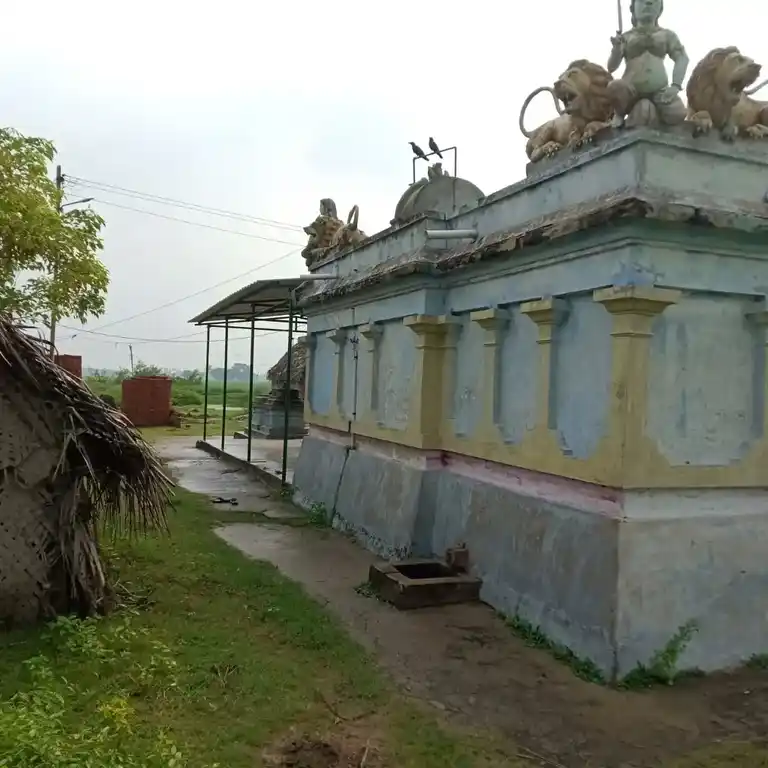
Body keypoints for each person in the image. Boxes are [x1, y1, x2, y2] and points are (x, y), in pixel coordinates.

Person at [606, 0, 689, 127]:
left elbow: (682, 58)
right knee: (614, 87)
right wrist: (616, 49)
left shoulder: (667, 35)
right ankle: (620, 113)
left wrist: (675, 86)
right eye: (642, 1)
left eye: (654, 1)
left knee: (678, 112)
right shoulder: (626, 37)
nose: (648, 3)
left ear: (660, 9)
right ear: (633, 8)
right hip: (631, 91)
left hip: (660, 92)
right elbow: (611, 67)